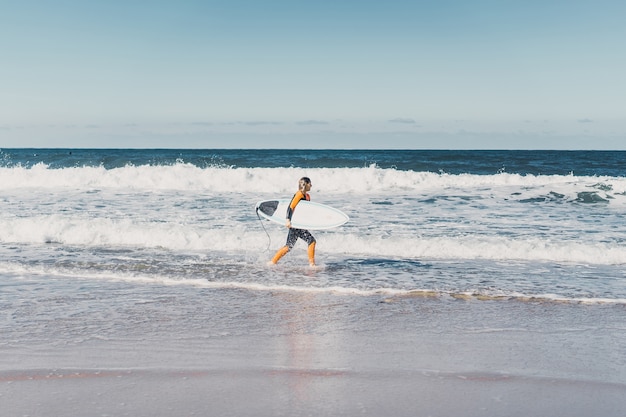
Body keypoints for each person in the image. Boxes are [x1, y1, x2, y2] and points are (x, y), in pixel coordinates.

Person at [270, 177, 316, 266]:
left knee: (288, 246)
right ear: (305, 184)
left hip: (299, 224)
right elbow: (291, 207)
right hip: (295, 224)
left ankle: (272, 262)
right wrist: (288, 220)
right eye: (310, 183)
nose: (311, 185)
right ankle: (312, 264)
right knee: (311, 241)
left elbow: (306, 211)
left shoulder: (307, 196)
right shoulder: (299, 194)